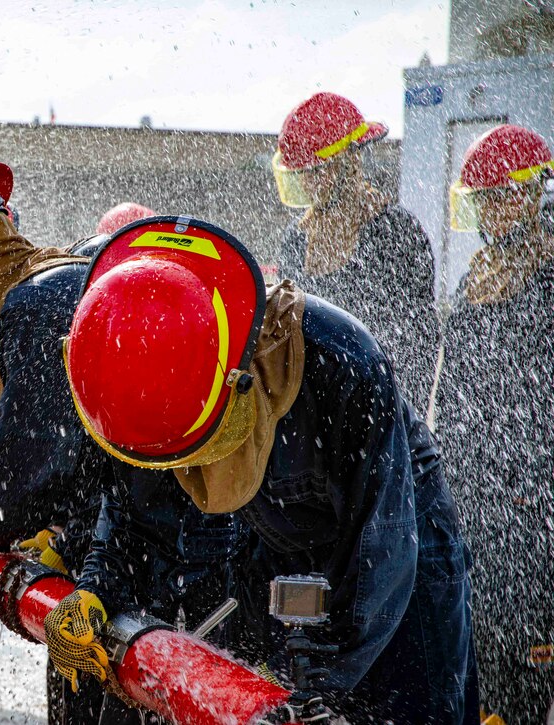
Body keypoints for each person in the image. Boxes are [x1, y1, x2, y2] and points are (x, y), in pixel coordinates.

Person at [52, 216, 477, 723]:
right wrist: (97, 587)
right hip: (270, 536)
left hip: (398, 547)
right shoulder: (143, 368)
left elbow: (382, 551)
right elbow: (131, 511)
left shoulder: (343, 363)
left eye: (195, 457)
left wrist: (324, 685)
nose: (187, 478)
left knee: (403, 710)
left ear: (235, 383)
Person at [0, 166, 233, 724]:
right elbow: (100, 469)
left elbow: (28, 467)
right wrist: (70, 553)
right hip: (141, 552)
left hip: (168, 565)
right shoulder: (70, 275)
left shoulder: (37, 303)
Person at [436, 124, 554, 723]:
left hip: (530, 507)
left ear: (530, 196)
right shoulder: (475, 277)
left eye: (496, 198)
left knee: (524, 667)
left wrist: (528, 486)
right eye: (478, 202)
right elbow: (455, 387)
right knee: (472, 656)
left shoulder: (549, 279)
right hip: (472, 498)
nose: (487, 213)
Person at [273, 92, 437, 412]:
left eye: (318, 171)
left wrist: (392, 419)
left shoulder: (394, 230)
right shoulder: (297, 239)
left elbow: (418, 340)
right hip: (312, 415)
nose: (309, 184)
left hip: (373, 407)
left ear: (350, 160)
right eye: (302, 174)